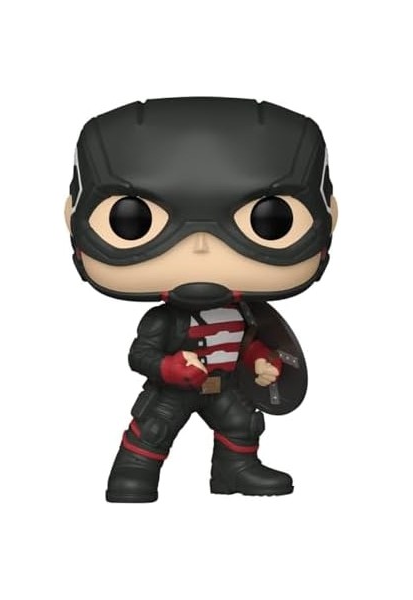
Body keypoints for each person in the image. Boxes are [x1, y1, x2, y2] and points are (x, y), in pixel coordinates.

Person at [64, 97, 338, 502]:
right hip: (173, 389)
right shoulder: (164, 321)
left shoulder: (242, 312)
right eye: (132, 220)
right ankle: (132, 477)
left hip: (223, 385)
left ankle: (235, 471)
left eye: (270, 220)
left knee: (242, 424)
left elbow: (246, 342)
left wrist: (260, 361)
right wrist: (170, 367)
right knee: (152, 430)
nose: (201, 248)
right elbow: (140, 355)